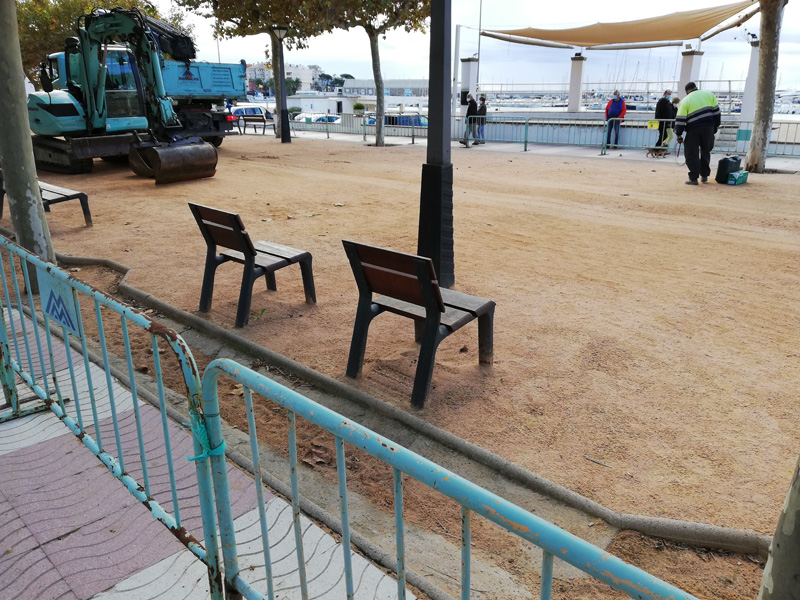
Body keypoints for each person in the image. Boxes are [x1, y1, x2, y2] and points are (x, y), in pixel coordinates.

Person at [675, 81, 721, 185]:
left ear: (687, 91)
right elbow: (717, 113)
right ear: (696, 88)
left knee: (691, 153)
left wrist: (679, 134)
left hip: (693, 130)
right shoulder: (709, 95)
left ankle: (694, 178)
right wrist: (715, 127)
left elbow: (680, 120)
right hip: (708, 128)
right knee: (706, 151)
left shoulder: (685, 100)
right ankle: (704, 176)